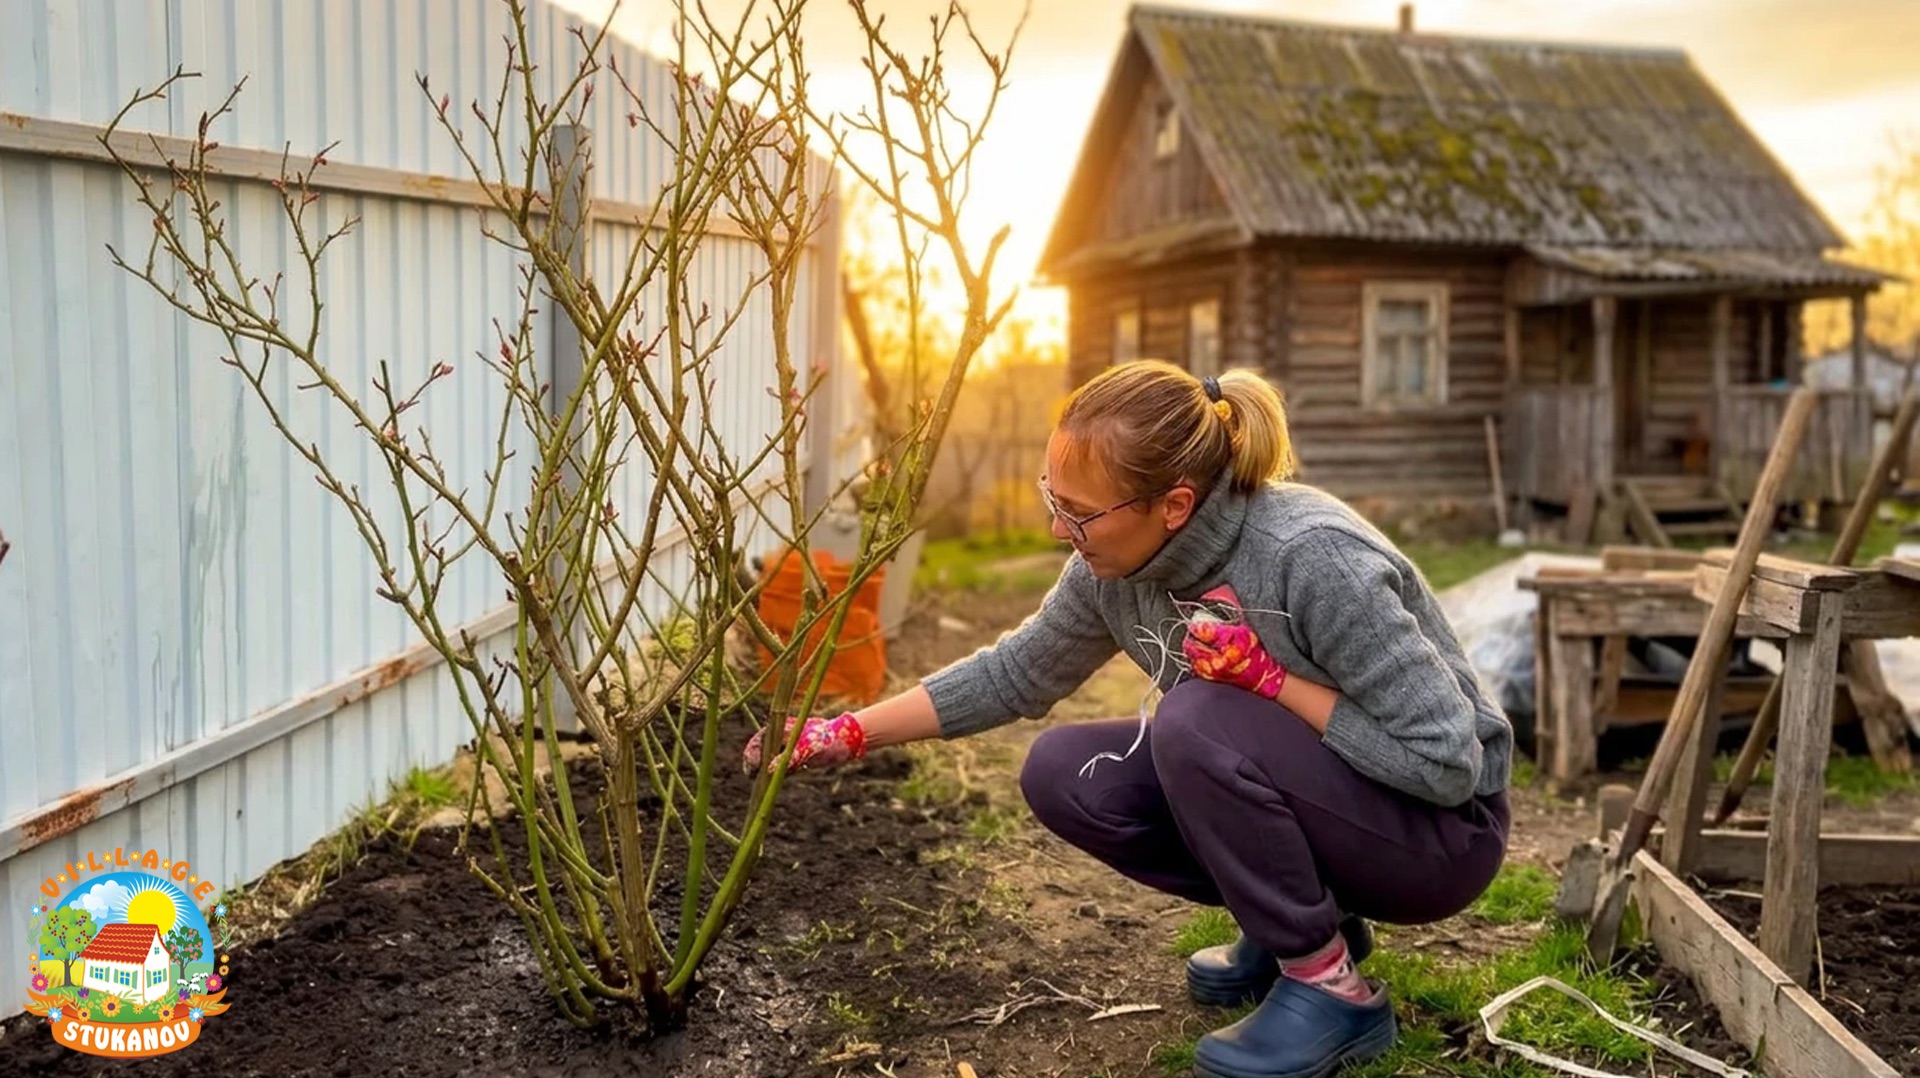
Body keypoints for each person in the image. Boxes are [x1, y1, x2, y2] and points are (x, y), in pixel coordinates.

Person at [744, 359, 1513, 1078]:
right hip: (1333, 796)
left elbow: (1446, 764)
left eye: (1079, 513)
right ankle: (1307, 928)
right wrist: (847, 732)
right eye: (1053, 500)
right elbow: (1017, 671)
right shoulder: (1112, 570)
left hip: (1437, 837)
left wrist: (1273, 682)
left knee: (1198, 719)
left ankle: (1332, 992)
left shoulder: (1311, 556)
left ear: (1174, 505)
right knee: (1066, 774)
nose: (1059, 531)